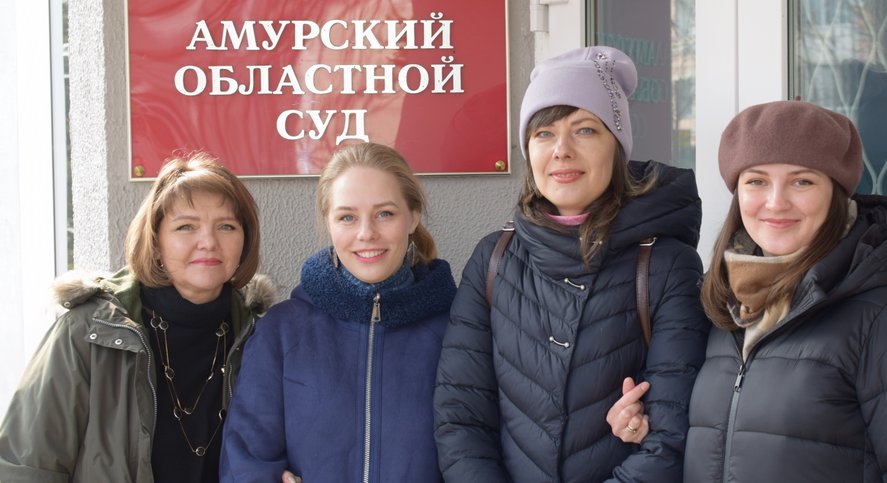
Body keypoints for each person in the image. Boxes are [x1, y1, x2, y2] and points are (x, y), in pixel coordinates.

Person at [433, 45, 710, 482]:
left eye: (584, 130)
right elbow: (461, 416)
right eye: (544, 134)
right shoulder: (494, 258)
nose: (561, 150)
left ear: (615, 147)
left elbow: (671, 435)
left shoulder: (667, 266)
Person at [682, 100, 887, 481]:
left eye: (802, 181)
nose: (776, 202)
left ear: (837, 193)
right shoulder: (728, 312)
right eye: (756, 181)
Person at [0, 152, 274, 482]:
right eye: (185, 226)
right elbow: (26, 466)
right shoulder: (89, 331)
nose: (208, 242)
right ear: (156, 242)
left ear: (244, 241)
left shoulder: (262, 333)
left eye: (226, 226)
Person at [219, 142, 457, 482]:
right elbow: (245, 460)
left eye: (385, 213)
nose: (366, 233)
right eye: (347, 217)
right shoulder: (282, 331)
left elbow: (478, 453)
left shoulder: (457, 328)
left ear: (412, 217)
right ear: (329, 223)